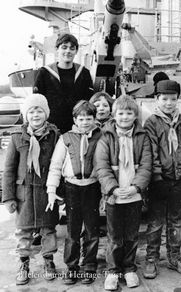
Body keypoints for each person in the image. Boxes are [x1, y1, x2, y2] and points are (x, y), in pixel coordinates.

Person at [143, 80, 181, 279]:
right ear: (156, 99)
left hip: (179, 179)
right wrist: (157, 177)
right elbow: (151, 151)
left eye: (173, 99)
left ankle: (174, 257)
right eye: (164, 99)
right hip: (160, 181)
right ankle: (151, 258)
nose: (169, 103)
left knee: (176, 221)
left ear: (178, 100)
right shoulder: (151, 122)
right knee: (156, 222)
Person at [94, 95, 152, 290]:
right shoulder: (106, 136)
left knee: (131, 234)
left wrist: (136, 187)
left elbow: (146, 165)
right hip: (114, 195)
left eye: (129, 113)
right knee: (114, 235)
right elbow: (101, 166)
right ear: (114, 114)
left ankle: (129, 268)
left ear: (135, 115)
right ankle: (112, 270)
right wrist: (113, 189)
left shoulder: (142, 137)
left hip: (134, 194)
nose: (125, 117)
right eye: (121, 113)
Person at [2, 94, 59, 285]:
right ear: (26, 115)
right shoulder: (17, 137)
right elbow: (9, 169)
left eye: (40, 110)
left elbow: (60, 164)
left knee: (48, 229)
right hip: (24, 194)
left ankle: (49, 261)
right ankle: (24, 263)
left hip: (46, 193)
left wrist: (61, 194)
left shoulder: (54, 136)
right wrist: (8, 197)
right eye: (32, 111)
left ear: (46, 113)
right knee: (23, 231)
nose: (36, 114)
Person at [46, 100, 102, 285]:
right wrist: (52, 190)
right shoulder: (66, 138)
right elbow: (55, 166)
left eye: (89, 118)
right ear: (75, 119)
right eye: (81, 118)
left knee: (92, 228)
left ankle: (89, 265)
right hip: (72, 188)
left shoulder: (101, 136)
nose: (85, 122)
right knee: (73, 229)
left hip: (93, 187)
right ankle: (71, 266)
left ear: (94, 119)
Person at [34, 33, 94, 134]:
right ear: (57, 49)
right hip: (51, 128)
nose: (68, 51)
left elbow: (89, 101)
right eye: (64, 47)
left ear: (76, 51)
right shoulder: (44, 73)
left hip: (78, 127)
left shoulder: (84, 73)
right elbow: (37, 101)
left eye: (72, 48)